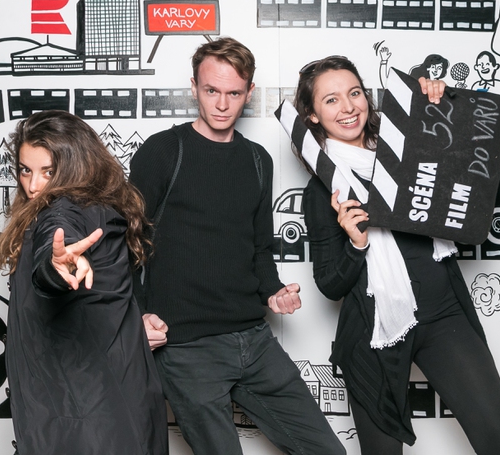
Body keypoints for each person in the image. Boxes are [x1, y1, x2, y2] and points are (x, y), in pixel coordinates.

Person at [290, 56, 500, 455]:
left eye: (354, 93)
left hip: (443, 314)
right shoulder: (324, 190)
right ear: (312, 115)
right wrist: (356, 243)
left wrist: (440, 105)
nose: (348, 107)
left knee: (499, 442)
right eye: (331, 100)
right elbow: (329, 284)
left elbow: (475, 181)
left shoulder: (414, 145)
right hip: (374, 332)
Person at [129, 37, 345, 455]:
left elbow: (260, 248)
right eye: (211, 90)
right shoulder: (163, 151)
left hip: (254, 339)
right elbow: (128, 242)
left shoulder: (258, 159)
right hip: (185, 347)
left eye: (233, 93)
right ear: (194, 87)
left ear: (249, 93)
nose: (222, 104)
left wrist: (273, 291)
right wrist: (138, 314)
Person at [0, 110, 167, 455]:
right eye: (25, 170)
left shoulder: (63, 211)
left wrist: (56, 267)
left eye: (48, 172)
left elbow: (55, 249)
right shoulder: (98, 206)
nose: (33, 185)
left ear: (75, 166)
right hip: (101, 400)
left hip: (85, 413)